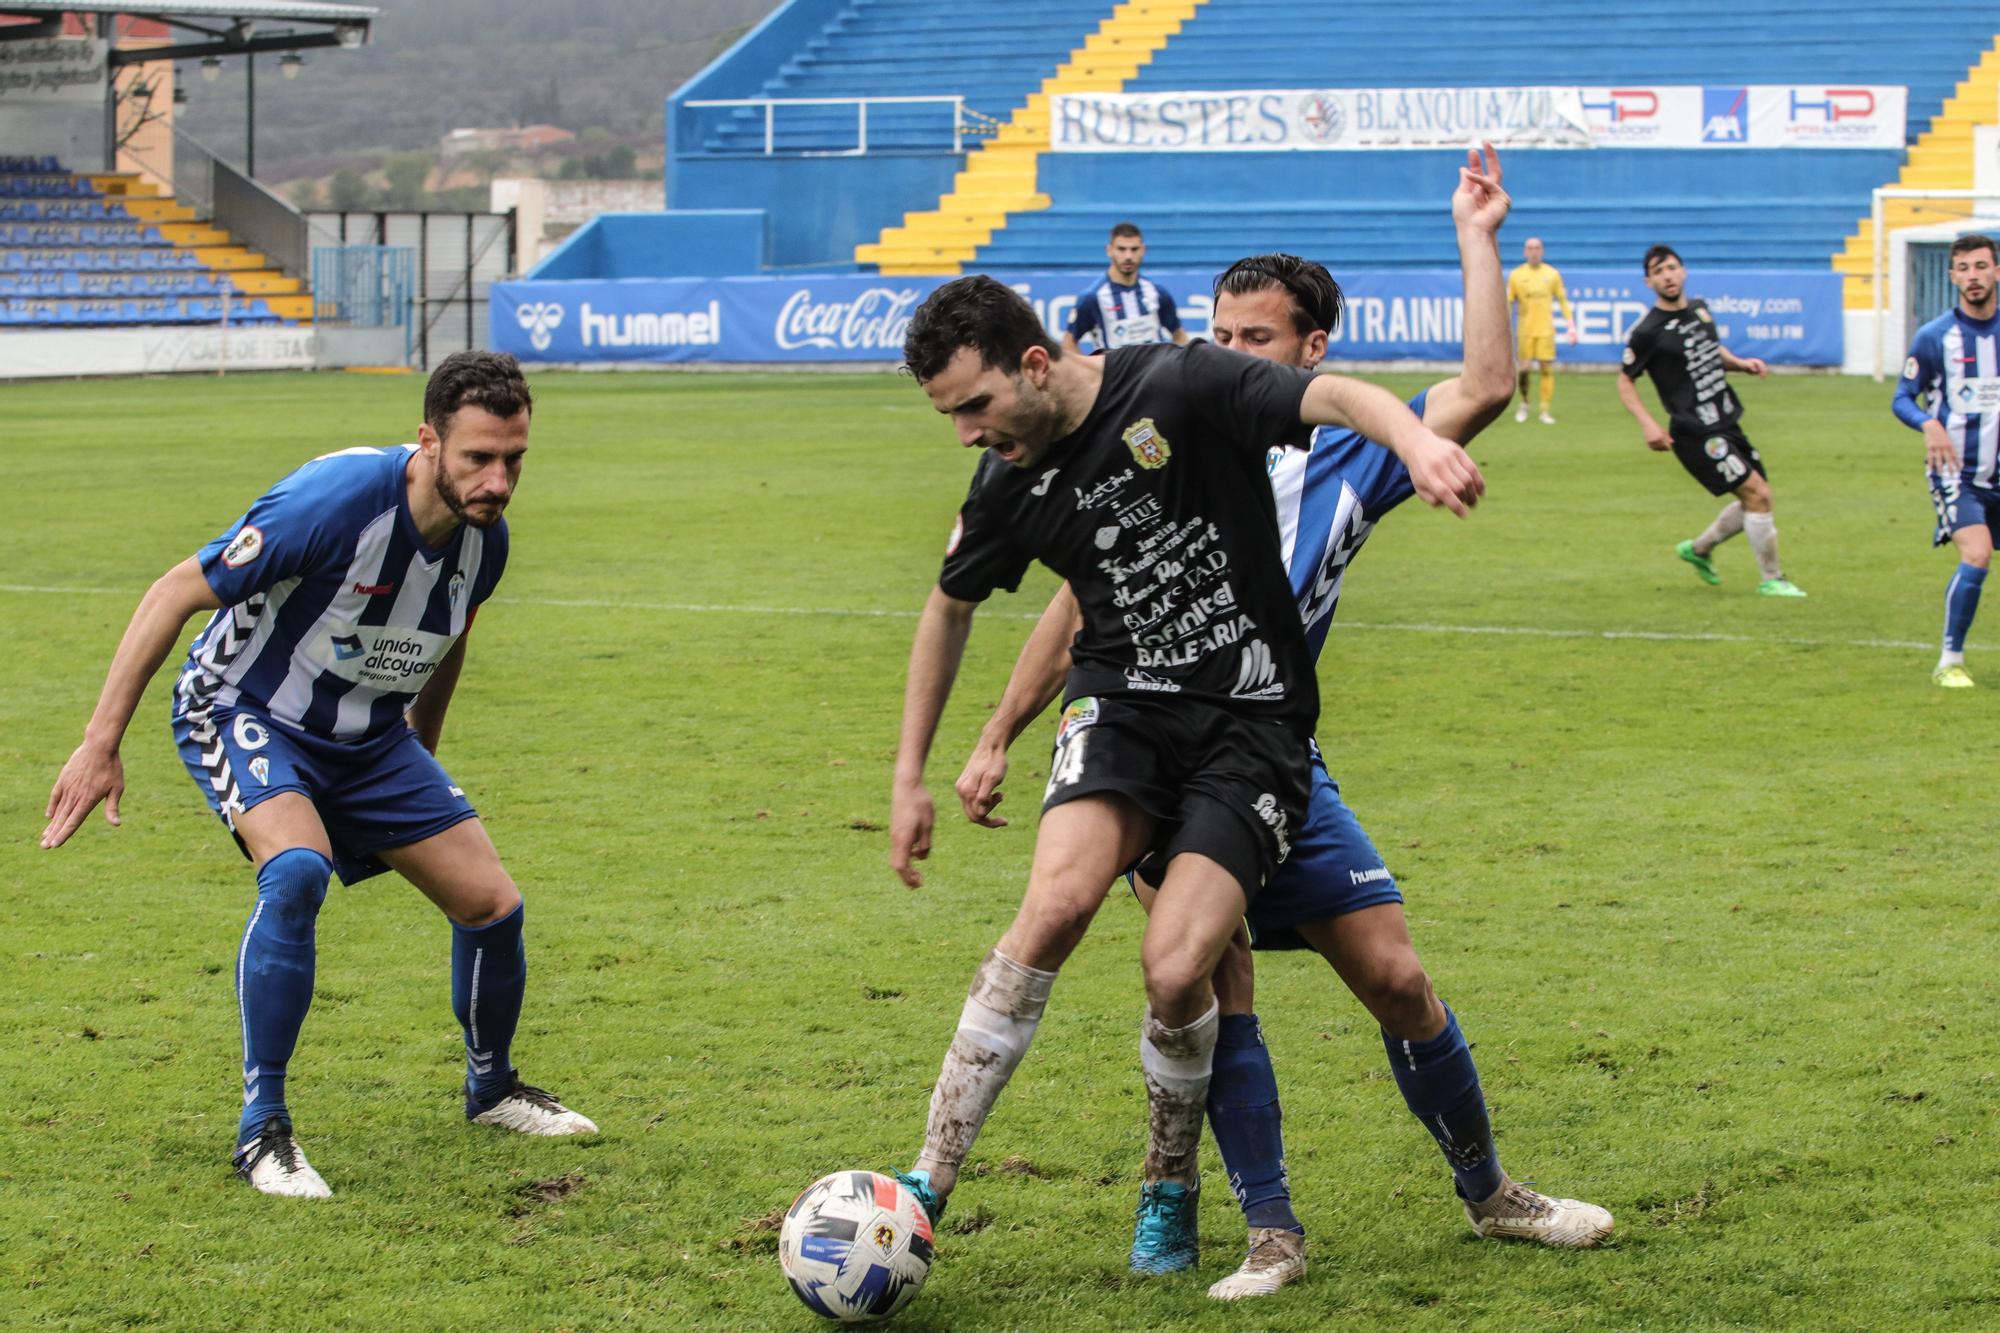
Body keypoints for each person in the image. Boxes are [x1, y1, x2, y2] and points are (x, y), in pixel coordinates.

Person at [956, 149, 1612, 1303]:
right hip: (1162, 758)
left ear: (1312, 350)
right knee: (1210, 970)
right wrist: (999, 730)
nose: (1222, 353)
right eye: (1215, 331)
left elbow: (1483, 387)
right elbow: (1072, 613)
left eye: (1251, 338)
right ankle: (1268, 1231)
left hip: (1274, 755)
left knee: (1397, 978)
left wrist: (1476, 237)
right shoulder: (1165, 429)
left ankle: (1490, 1191)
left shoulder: (1348, 451)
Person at [886, 269, 1486, 1276]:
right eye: (948, 416)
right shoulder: (1007, 482)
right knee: (1054, 904)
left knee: (1176, 969)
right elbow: (948, 607)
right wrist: (912, 772)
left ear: (1034, 364)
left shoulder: (1180, 383)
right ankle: (923, 1181)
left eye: (975, 406)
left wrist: (1416, 440)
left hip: (1249, 725)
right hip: (1122, 710)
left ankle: (1169, 1177)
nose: (965, 433)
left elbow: (1338, 398)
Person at [40, 351, 596, 1199]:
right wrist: (99, 740)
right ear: (428, 441)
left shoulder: (486, 544)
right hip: (244, 708)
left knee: (493, 905)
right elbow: (172, 591)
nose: (498, 481)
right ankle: (263, 1128)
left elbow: (449, 639)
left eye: (514, 459)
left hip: (370, 738)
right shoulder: (334, 501)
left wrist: (423, 755)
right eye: (479, 457)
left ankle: (492, 1089)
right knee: (296, 873)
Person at [1617, 245, 1806, 598]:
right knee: (1758, 494)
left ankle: (1698, 549)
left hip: (1726, 419)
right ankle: (1773, 579)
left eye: (1672, 268)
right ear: (1648, 281)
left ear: (1683, 271)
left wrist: (1741, 363)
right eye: (1659, 272)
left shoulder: (1700, 310)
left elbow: (1709, 351)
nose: (1668, 276)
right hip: (1694, 432)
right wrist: (1648, 424)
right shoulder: (1648, 331)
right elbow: (1625, 379)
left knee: (1757, 497)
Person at [1893, 232, 2000, 688]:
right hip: (1957, 474)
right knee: (1976, 555)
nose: (1973, 277)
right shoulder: (1935, 337)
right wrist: (1928, 424)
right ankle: (1950, 660)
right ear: (1952, 275)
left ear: (1996, 271)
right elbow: (1902, 397)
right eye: (1964, 268)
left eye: (1981, 266)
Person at [1062, 221, 1190, 355]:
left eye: (1134, 249)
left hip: (1154, 374)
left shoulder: (1157, 293)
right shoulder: (1092, 298)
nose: (1128, 256)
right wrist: (1090, 372)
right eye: (1121, 249)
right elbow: (1068, 343)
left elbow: (1179, 335)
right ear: (1109, 251)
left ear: (1143, 250)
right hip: (1114, 375)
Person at [1506, 236, 1577, 424]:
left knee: (1546, 368)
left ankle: (1545, 409)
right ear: (1524, 252)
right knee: (1524, 370)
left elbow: (1562, 300)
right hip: (1525, 331)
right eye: (1529, 248)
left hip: (1546, 330)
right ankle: (1525, 402)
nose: (1533, 251)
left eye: (1537, 248)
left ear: (1542, 251)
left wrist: (1571, 326)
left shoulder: (1552, 274)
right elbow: (1508, 302)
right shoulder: (1516, 275)